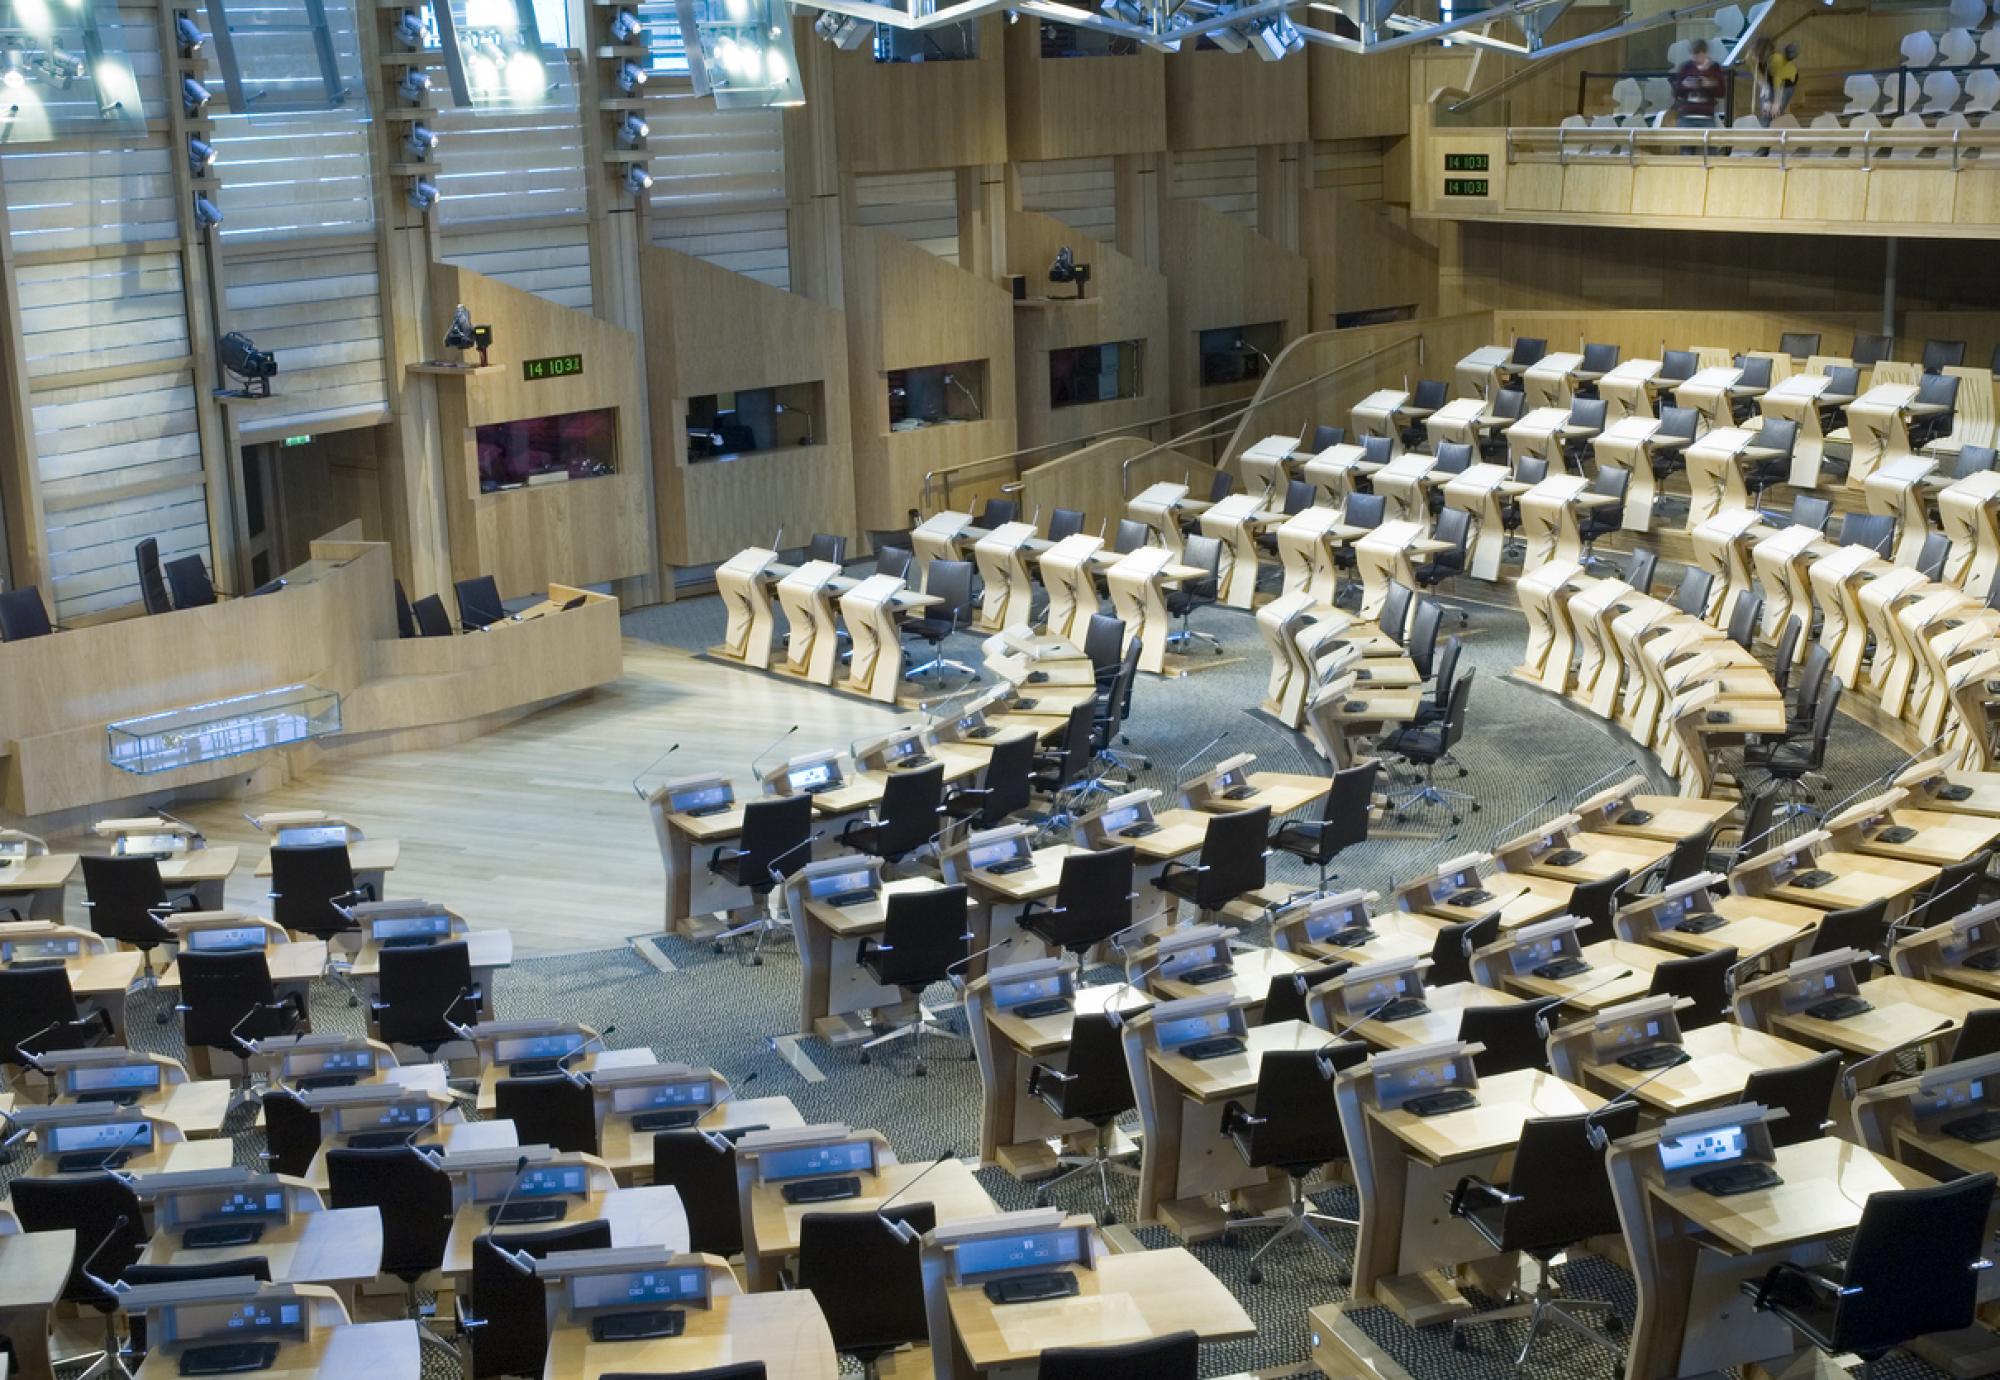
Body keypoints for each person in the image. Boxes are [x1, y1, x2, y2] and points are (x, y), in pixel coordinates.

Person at [1674, 38, 1727, 130]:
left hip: (1706, 117)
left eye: (1699, 55)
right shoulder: (1686, 67)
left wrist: (1710, 84)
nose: (1696, 59)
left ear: (1705, 53)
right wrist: (1684, 86)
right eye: (1694, 56)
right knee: (1684, 139)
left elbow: (1722, 92)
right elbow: (1676, 92)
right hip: (1686, 116)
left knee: (1708, 139)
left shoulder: (1714, 67)